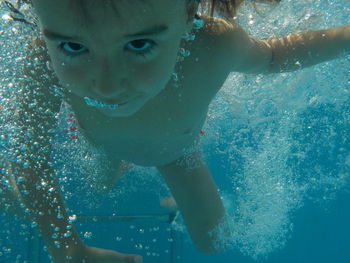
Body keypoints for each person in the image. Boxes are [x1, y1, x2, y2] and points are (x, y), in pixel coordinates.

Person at [0, 0, 349, 262]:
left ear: (187, 14)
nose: (106, 86)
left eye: (139, 45)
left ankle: (169, 196)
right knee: (99, 184)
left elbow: (274, 55)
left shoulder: (215, 46)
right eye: (73, 47)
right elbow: (30, 160)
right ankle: (17, 192)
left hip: (177, 153)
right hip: (99, 143)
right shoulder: (42, 60)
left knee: (215, 242)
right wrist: (68, 249)